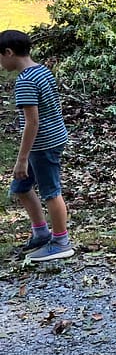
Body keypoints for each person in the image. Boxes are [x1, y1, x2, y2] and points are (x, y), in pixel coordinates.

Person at [0, 30, 74, 262]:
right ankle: (41, 233)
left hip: (43, 144)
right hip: (51, 138)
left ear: (9, 53)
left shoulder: (25, 81)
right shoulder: (42, 70)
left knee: (51, 192)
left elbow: (32, 122)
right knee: (21, 187)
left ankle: (61, 242)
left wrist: (22, 159)